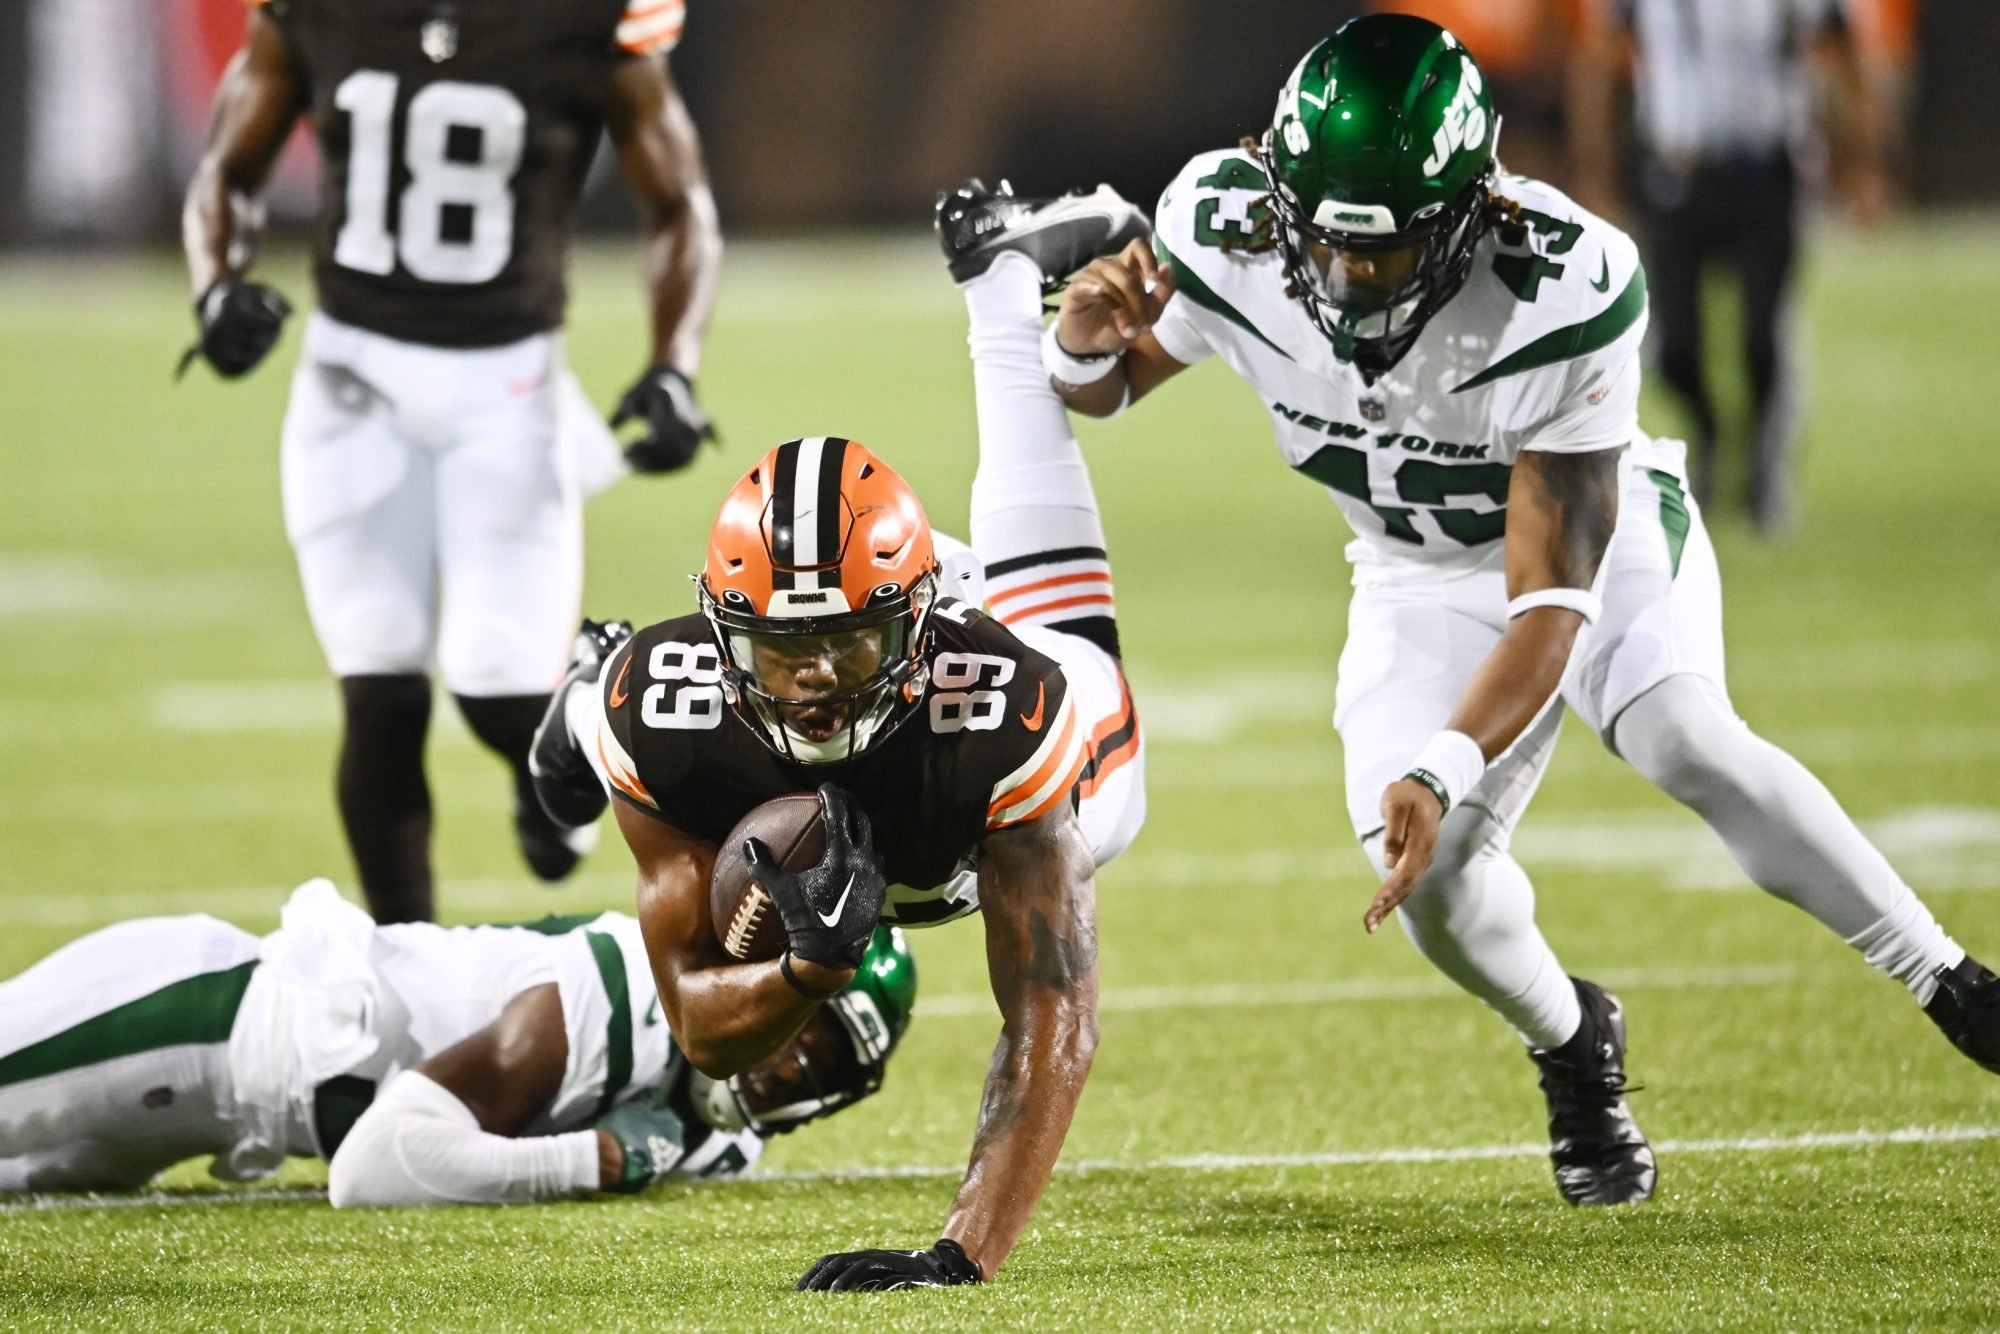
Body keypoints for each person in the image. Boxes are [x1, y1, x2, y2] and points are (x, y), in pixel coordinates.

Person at [1035, 14, 1999, 1207]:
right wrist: (1076, 342)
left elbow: (1548, 602)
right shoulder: (1226, 226)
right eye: (1320, 242)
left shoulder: (1562, 283)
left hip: (1582, 537)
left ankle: (1949, 979)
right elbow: (1111, 375)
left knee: (1677, 730)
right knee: (1429, 890)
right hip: (1403, 568)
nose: (1341, 279)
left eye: (1378, 252)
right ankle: (1572, 1042)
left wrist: (1443, 762)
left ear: (1465, 213)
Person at [528, 197, 1150, 1288]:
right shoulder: (670, 705)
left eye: (849, 646)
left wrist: (960, 1252)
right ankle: (573, 708)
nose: (814, 680)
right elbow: (702, 1028)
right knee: (603, 716)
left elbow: (1051, 1008)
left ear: (912, 628)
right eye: (780, 651)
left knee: (1066, 645)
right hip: (848, 646)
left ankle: (1001, 292)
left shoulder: (998, 712)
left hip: (986, 733)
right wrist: (809, 970)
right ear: (724, 640)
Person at [179, 0, 723, 924]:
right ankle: (407, 969)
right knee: (379, 696)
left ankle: (555, 757)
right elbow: (227, 173)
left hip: (508, 388)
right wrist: (215, 292)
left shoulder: (588, 19)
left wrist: (675, 367)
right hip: (353, 382)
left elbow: (679, 203)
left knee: (502, 698)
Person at [0, 878, 914, 1203]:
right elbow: (374, 1167)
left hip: (211, 1119)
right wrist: (590, 1162)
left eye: (826, 1061)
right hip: (202, 1015)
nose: (790, 1061)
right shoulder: (625, 990)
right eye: (802, 1025)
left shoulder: (725, 1146)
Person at [1568, 0, 1890, 530]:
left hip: (1767, 173)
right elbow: (1598, 59)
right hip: (1678, 171)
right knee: (1674, 349)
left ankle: (1765, 467)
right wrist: (1594, 166)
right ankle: (1708, 432)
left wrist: (1864, 160)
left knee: (1764, 337)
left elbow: (1846, 53)